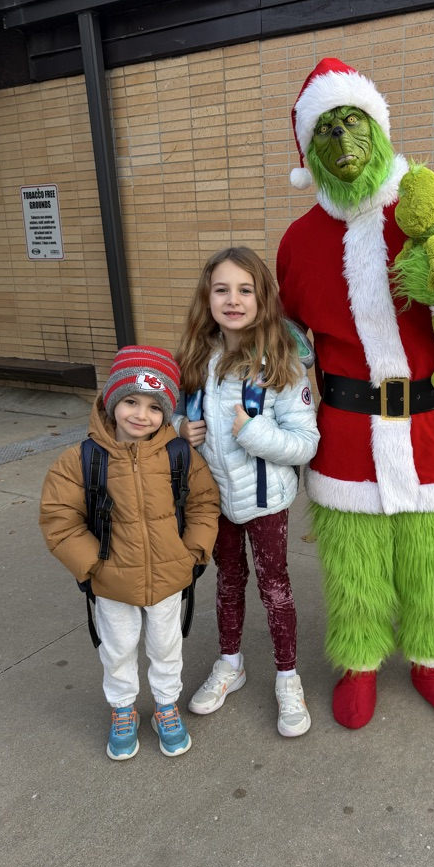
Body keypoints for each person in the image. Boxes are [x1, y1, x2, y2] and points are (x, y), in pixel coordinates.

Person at [276, 57, 434, 729]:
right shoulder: (300, 241)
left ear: (379, 125)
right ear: (309, 150)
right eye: (325, 129)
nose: (342, 140)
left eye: (352, 120)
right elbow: (291, 338)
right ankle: (359, 662)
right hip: (350, 440)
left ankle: (431, 658)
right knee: (354, 565)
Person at [40, 346, 220, 760]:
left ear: (166, 412)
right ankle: (123, 709)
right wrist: (92, 566)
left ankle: (165, 706)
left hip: (169, 578)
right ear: (112, 401)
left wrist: (191, 554)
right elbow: (59, 518)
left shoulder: (180, 456)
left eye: (155, 407)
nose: (141, 415)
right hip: (111, 581)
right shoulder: (81, 461)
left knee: (166, 646)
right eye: (131, 401)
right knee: (117, 648)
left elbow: (204, 504)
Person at [174, 246, 320, 737]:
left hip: (265, 502)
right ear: (207, 297)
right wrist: (180, 427)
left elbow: (306, 444)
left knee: (275, 589)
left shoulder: (282, 362)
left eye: (244, 289)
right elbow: (176, 413)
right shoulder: (197, 357)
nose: (232, 300)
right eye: (221, 289)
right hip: (214, 501)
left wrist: (253, 432)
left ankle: (287, 678)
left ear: (262, 297)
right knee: (228, 583)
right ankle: (231, 665)